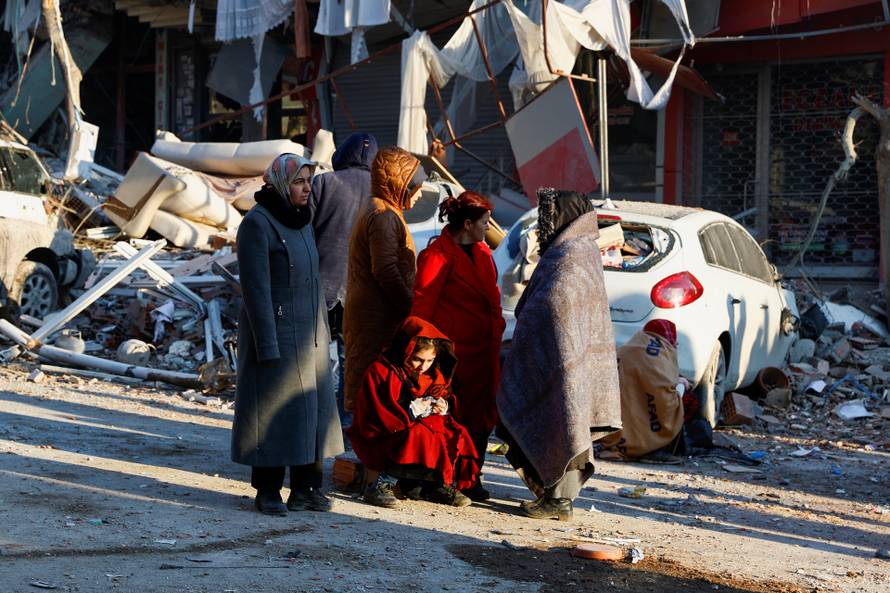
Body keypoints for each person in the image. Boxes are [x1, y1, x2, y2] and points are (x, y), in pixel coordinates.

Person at [496, 188, 622, 522]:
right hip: (566, 351)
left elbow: (557, 299)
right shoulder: (581, 248)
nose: (544, 225)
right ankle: (554, 494)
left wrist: (534, 318)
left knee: (564, 418)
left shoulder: (570, 252)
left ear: (565, 216)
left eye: (549, 217)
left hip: (564, 351)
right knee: (564, 418)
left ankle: (559, 499)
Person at [231, 153, 344, 516]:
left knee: (311, 413)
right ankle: (267, 491)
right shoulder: (257, 224)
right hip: (277, 333)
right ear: (280, 184)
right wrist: (267, 342)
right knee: (274, 414)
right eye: (299, 181)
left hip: (309, 336)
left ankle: (306, 489)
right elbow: (256, 290)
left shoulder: (303, 221)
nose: (307, 189)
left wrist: (323, 333)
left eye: (309, 181)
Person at [412, 191, 505, 501]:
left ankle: (470, 477)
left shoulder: (482, 253)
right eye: (485, 222)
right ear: (467, 224)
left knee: (481, 417)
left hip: (484, 352)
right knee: (450, 416)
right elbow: (423, 306)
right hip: (453, 355)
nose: (489, 227)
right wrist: (422, 350)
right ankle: (441, 481)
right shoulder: (437, 255)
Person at [347, 316, 479, 509]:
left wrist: (443, 407)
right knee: (420, 434)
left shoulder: (433, 374)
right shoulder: (382, 371)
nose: (423, 366)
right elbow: (377, 412)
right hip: (383, 432)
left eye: (430, 360)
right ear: (405, 351)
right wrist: (412, 411)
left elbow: (445, 395)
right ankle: (382, 484)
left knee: (452, 432)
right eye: (417, 359)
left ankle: (436, 485)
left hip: (418, 426)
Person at [343, 146, 425, 414]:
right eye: (417, 187)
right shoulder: (383, 216)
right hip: (376, 318)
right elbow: (386, 270)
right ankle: (369, 447)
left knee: (372, 385)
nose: (420, 193)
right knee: (374, 387)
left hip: (374, 315)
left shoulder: (384, 209)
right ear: (400, 184)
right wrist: (408, 306)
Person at [309, 133, 379, 424]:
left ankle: (314, 425)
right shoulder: (381, 193)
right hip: (361, 295)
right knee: (351, 364)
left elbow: (303, 231)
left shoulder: (324, 183)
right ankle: (344, 429)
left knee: (315, 362)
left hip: (319, 287)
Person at [598, 320, 686, 463]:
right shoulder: (660, 354)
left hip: (613, 431)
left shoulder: (627, 348)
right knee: (687, 399)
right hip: (646, 425)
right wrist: (680, 386)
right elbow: (664, 393)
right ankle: (655, 448)